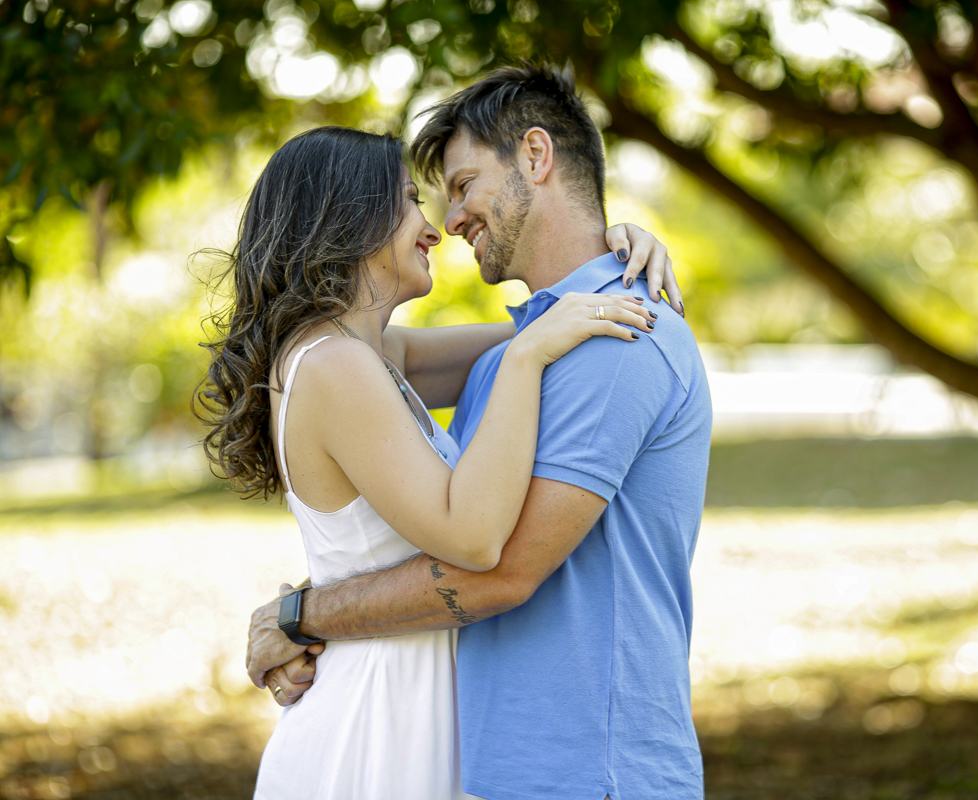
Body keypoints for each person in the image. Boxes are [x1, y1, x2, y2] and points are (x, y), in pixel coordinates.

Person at [246, 63, 711, 800]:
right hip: (464, 752)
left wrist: (299, 615)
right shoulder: (514, 352)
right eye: (417, 201)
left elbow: (501, 569)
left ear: (536, 156)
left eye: (461, 186)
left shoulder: (617, 331)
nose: (445, 221)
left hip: (594, 772)